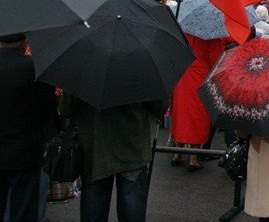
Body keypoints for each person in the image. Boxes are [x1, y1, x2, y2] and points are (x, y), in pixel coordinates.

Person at [62, 94, 165, 222]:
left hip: (96, 147)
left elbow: (66, 108)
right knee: (132, 210)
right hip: (133, 146)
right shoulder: (142, 73)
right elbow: (159, 106)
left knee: (94, 209)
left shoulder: (81, 73)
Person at [0, 33, 57, 222]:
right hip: (26, 151)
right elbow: (48, 111)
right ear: (24, 42)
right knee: (24, 210)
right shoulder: (35, 68)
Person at [170, 35, 229, 171]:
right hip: (199, 75)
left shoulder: (183, 30)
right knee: (197, 116)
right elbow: (215, 59)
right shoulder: (211, 35)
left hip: (182, 74)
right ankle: (193, 158)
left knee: (181, 114)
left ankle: (177, 153)